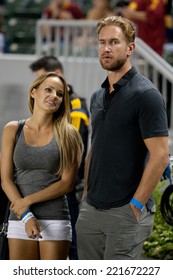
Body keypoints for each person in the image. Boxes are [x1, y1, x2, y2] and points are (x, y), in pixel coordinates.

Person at [76, 15, 169, 260]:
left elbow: (160, 156)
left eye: (114, 42)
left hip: (125, 211)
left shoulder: (146, 95)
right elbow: (95, 147)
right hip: (91, 210)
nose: (106, 48)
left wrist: (136, 206)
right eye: (102, 42)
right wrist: (86, 195)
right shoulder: (97, 96)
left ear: (130, 48)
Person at [1, 72, 83, 260]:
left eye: (60, 94)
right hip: (20, 219)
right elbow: (6, 180)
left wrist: (26, 202)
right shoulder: (13, 129)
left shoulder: (68, 134)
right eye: (48, 89)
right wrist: (27, 215)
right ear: (33, 92)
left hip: (55, 218)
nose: (54, 96)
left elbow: (67, 183)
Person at [29, 55, 89, 260]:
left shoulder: (77, 107)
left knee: (71, 247)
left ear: (58, 76)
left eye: (43, 80)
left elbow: (69, 151)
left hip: (65, 190)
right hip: (41, 188)